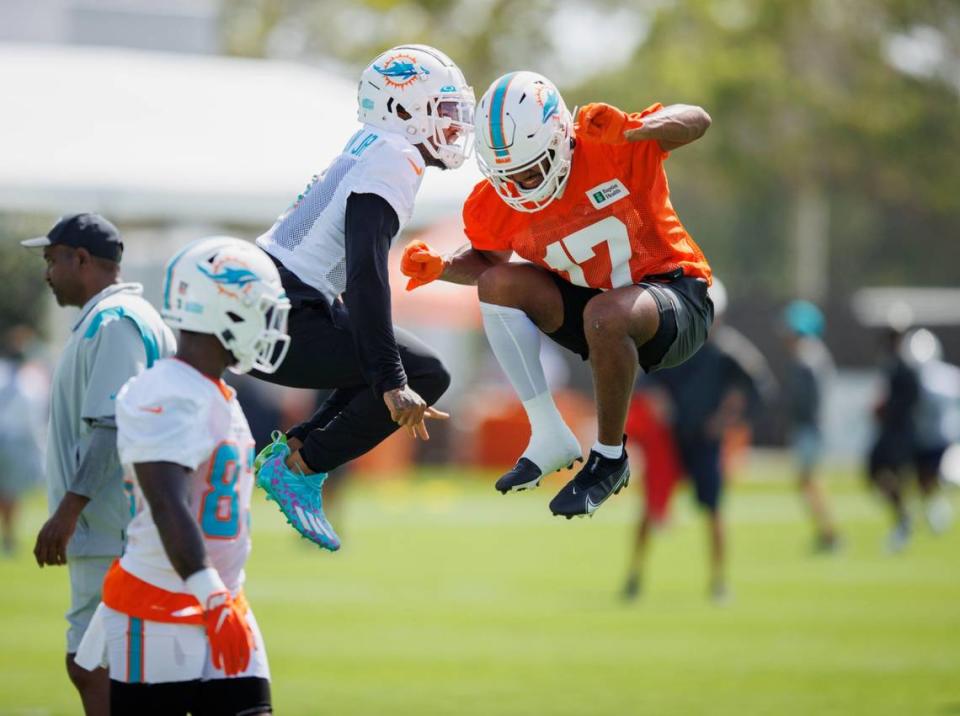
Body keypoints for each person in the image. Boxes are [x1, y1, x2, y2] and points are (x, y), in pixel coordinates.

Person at [402, 71, 714, 517]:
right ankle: (548, 432)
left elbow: (697, 119)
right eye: (507, 175)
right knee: (498, 286)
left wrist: (633, 128)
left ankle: (609, 457)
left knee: (606, 314)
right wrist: (443, 267)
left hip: (676, 297)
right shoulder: (494, 201)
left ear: (561, 138)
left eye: (530, 169)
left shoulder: (608, 143)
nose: (520, 186)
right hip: (598, 313)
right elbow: (489, 266)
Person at [251, 44, 475, 550]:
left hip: (280, 296)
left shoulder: (376, 146)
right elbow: (366, 274)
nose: (454, 124)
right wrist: (391, 379)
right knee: (418, 373)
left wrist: (384, 370)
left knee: (410, 366)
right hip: (286, 309)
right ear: (402, 109)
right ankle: (300, 467)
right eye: (443, 109)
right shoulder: (394, 156)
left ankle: (297, 453)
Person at [74, 237, 289, 715]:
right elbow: (167, 502)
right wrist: (210, 595)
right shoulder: (166, 390)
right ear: (223, 309)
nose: (269, 324)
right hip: (160, 604)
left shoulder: (213, 389)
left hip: (221, 595)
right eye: (260, 309)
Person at [20, 213, 175, 716]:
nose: (47, 273)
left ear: (81, 259)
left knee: (95, 664)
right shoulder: (114, 318)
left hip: (115, 527)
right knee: (116, 665)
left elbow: (113, 424)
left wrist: (67, 512)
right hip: (124, 525)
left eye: (52, 259)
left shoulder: (115, 322)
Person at [622, 280, 774, 601]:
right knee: (650, 508)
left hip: (705, 441)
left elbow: (761, 388)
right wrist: (657, 399)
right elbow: (645, 380)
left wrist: (727, 421)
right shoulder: (672, 344)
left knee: (714, 510)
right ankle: (634, 576)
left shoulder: (730, 351)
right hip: (670, 440)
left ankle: (718, 581)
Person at [782, 300, 840, 552]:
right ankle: (826, 532)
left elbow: (807, 397)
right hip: (810, 427)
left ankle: (829, 533)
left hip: (809, 428)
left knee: (810, 482)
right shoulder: (814, 352)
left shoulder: (807, 353)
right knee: (808, 482)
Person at [867, 326, 921, 552]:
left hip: (900, 432)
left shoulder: (906, 367)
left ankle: (906, 518)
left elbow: (909, 400)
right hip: (891, 431)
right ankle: (904, 516)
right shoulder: (891, 365)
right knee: (876, 472)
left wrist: (887, 410)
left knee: (893, 474)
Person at [902, 328, 958, 535]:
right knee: (925, 482)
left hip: (946, 439)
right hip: (923, 438)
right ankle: (936, 513)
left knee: (945, 477)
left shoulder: (948, 377)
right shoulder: (910, 377)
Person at [0, 326, 45, 555]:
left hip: (10, 439)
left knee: (8, 493)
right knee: (10, 493)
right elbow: (34, 418)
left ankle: (8, 537)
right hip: (15, 441)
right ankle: (8, 537)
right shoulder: (32, 380)